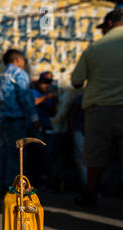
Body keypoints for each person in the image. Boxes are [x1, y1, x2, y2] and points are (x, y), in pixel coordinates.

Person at [70, 8, 123, 207]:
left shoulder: (94, 48)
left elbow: (76, 81)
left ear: (109, 24)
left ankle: (90, 193)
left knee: (94, 156)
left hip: (99, 109)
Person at [0, 49, 40, 195]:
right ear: (18, 59)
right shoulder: (19, 74)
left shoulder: (1, 77)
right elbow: (25, 97)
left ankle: (0, 188)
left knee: (4, 154)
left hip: (1, 121)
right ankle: (13, 191)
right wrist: (34, 117)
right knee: (16, 155)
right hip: (15, 120)